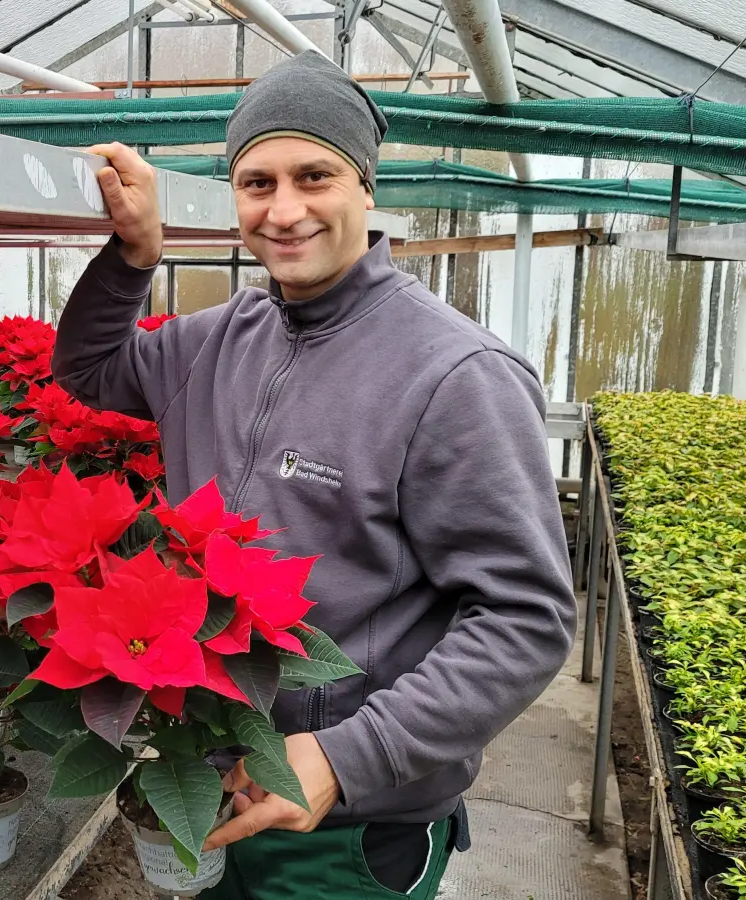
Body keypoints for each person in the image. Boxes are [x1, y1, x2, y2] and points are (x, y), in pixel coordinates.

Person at [52, 50, 577, 900]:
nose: (284, 209)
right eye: (257, 183)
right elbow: (87, 370)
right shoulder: (217, 339)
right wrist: (133, 254)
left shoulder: (456, 373)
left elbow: (526, 617)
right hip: (217, 770)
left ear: (367, 187)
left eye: (314, 176)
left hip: (350, 822)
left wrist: (345, 756)